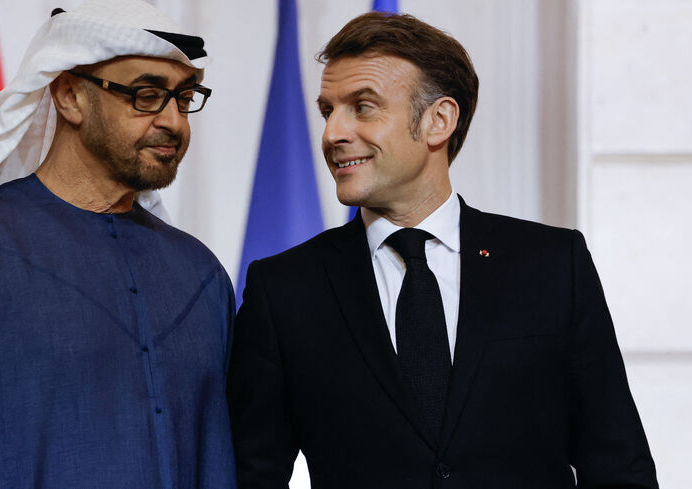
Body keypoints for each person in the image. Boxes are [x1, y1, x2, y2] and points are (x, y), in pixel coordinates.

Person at [227, 12, 658, 489]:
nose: (332, 133)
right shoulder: (283, 288)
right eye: (328, 110)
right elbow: (252, 475)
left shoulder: (554, 263)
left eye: (363, 107)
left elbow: (618, 464)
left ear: (439, 120)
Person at [0, 1, 236, 488]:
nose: (174, 121)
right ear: (69, 96)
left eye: (184, 97)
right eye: (147, 95)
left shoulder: (199, 274)